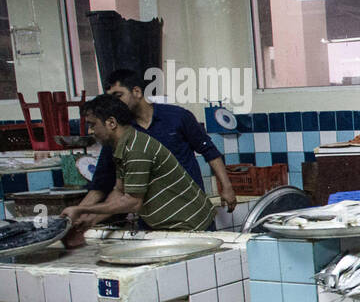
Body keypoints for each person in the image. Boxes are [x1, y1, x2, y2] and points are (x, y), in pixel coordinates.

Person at [75, 68, 237, 226]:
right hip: (152, 217)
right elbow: (104, 184)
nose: (113, 103)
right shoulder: (120, 134)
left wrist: (227, 187)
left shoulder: (177, 117)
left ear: (137, 92)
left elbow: (209, 151)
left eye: (118, 96)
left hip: (188, 211)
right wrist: (81, 217)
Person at [62, 96, 216, 234]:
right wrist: (92, 219)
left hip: (192, 225)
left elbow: (132, 202)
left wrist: (81, 209)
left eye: (92, 124)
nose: (90, 131)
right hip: (171, 225)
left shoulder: (136, 149)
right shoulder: (123, 146)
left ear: (111, 123)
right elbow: (119, 191)